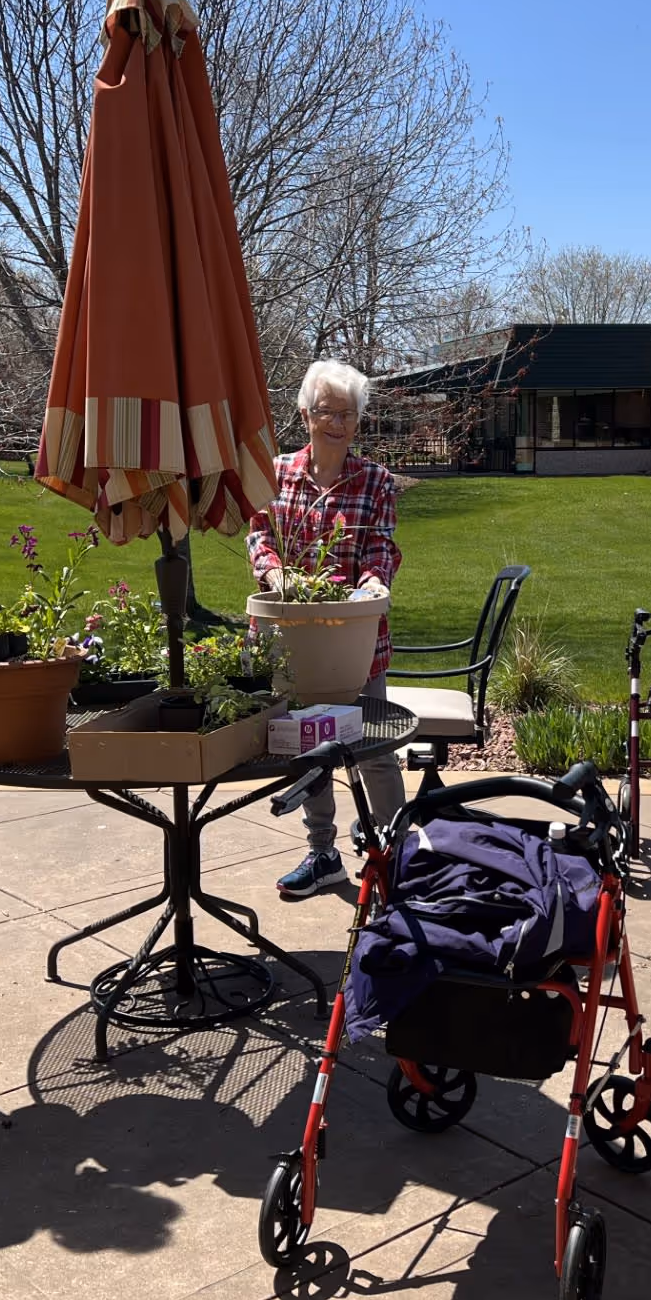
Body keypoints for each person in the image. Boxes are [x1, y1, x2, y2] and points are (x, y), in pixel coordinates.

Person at [247, 360, 406, 898]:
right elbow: (258, 536)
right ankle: (323, 853)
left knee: (376, 751)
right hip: (294, 641)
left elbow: (381, 546)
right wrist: (275, 570)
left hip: (356, 642)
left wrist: (374, 583)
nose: (336, 423)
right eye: (325, 411)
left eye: (347, 413)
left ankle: (397, 854)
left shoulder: (376, 481)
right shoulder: (274, 474)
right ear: (304, 414)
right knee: (309, 748)